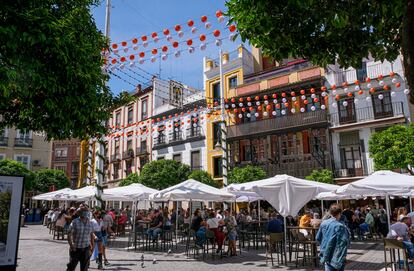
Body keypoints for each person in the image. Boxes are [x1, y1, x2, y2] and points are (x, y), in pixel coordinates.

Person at [316, 205, 350, 271]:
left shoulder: (323, 223)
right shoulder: (341, 226)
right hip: (337, 255)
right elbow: (346, 242)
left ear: (330, 213)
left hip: (326, 254)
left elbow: (318, 238)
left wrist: (325, 245)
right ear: (339, 213)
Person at [67, 206, 96, 271]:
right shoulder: (74, 222)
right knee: (71, 267)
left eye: (86, 211)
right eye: (83, 211)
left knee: (84, 268)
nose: (85, 213)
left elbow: (91, 235)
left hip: (86, 249)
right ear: (79, 212)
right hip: (76, 249)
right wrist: (71, 245)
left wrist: (92, 247)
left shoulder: (90, 223)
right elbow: (69, 234)